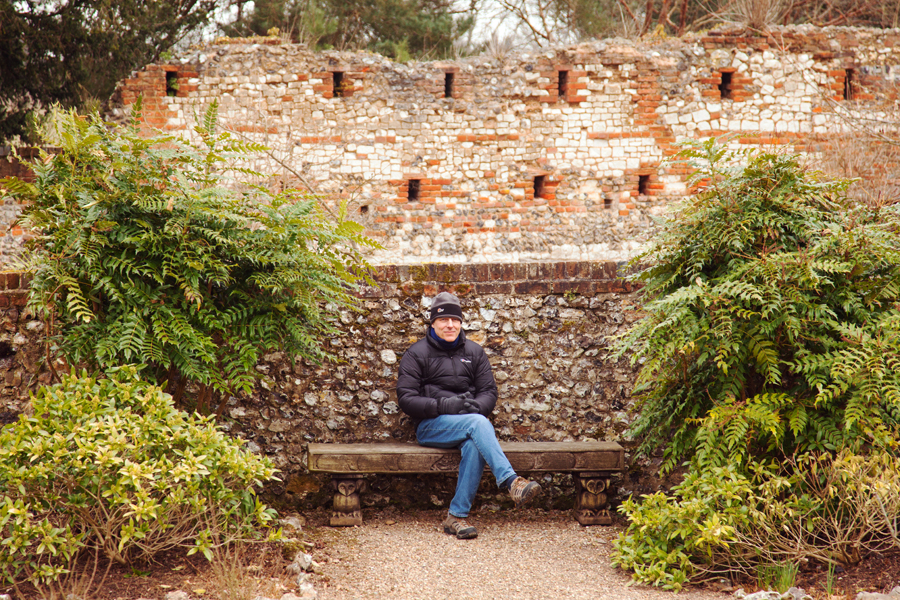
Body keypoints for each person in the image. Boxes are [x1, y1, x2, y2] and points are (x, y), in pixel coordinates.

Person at [396, 291, 542, 539]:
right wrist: (443, 405)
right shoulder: (416, 353)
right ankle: (511, 482)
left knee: (475, 443)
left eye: (455, 320)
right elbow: (406, 399)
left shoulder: (474, 352)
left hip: (470, 422)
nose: (450, 325)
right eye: (443, 320)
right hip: (431, 426)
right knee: (478, 424)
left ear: (461, 322)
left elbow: (488, 391)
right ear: (433, 323)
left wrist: (477, 406)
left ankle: (456, 517)